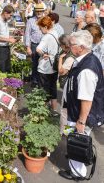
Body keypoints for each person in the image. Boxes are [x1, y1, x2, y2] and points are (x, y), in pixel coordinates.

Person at [59, 30, 104, 180]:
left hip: (78, 114)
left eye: (72, 45)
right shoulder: (87, 59)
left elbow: (86, 99)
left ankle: (77, 172)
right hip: (74, 110)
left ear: (82, 47)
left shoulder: (86, 69)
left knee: (77, 140)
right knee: (71, 136)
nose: (69, 47)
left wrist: (81, 121)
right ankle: (75, 159)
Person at [36, 16, 59, 111]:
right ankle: (53, 111)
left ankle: (43, 112)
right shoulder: (55, 33)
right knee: (53, 90)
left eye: (40, 28)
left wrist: (43, 54)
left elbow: (38, 49)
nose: (40, 30)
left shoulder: (46, 37)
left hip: (45, 68)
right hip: (54, 66)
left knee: (43, 91)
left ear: (45, 27)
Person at [57, 34, 75, 134]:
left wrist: (60, 59)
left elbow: (61, 71)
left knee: (65, 110)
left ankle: (66, 132)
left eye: (61, 45)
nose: (60, 47)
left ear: (65, 45)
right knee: (67, 109)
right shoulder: (68, 52)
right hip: (70, 85)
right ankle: (67, 132)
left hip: (69, 86)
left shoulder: (70, 57)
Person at [0, 5, 17, 72]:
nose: (10, 17)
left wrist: (11, 36)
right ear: (5, 13)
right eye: (10, 15)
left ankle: (5, 81)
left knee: (7, 68)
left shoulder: (5, 21)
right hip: (0, 49)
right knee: (1, 69)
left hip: (6, 48)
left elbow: (3, 35)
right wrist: (9, 40)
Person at [24, 3, 44, 87]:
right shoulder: (31, 20)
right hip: (34, 44)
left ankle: (41, 81)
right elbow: (27, 34)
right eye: (37, 11)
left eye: (40, 11)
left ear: (43, 11)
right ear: (35, 12)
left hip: (44, 45)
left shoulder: (46, 20)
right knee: (35, 63)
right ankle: (34, 80)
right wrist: (28, 47)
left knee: (43, 64)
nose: (39, 13)